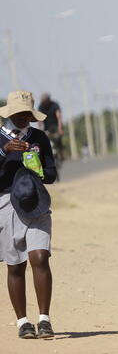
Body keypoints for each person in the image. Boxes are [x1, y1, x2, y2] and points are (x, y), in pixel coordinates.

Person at [0, 91, 58, 338]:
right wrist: (4, 153)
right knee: (16, 266)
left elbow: (52, 174)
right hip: (6, 204)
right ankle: (23, 322)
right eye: (20, 114)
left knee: (40, 257)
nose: (25, 118)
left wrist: (39, 170)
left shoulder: (40, 137)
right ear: (10, 114)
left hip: (36, 202)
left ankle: (44, 320)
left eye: (28, 114)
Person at [37, 93, 63, 162]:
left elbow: (59, 117)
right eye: (43, 101)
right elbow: (39, 119)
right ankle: (46, 155)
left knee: (58, 139)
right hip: (46, 127)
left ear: (48, 100)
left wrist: (60, 128)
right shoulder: (41, 106)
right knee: (44, 140)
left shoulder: (54, 105)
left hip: (55, 126)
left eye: (45, 101)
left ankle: (60, 153)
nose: (44, 102)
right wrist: (40, 130)